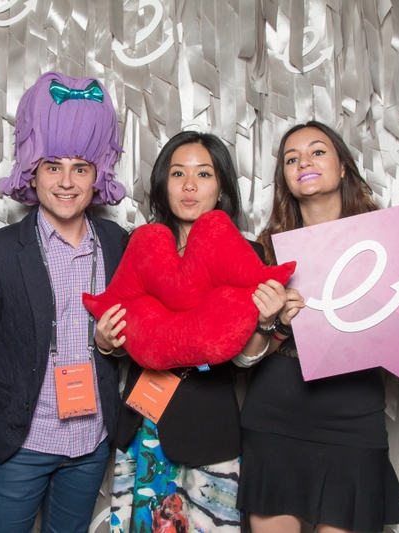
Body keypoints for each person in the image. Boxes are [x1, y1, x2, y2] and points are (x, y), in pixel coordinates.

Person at [0, 71, 129, 533]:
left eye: (81, 168)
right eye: (53, 166)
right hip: (21, 443)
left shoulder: (119, 244)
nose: (66, 182)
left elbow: (143, 330)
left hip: (91, 442)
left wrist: (112, 344)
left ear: (98, 174)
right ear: (32, 169)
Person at [101, 131, 289, 533]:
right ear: (162, 184)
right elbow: (128, 330)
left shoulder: (247, 255)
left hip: (208, 429)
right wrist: (105, 342)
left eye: (203, 174)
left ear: (221, 188)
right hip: (144, 427)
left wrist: (268, 323)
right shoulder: (140, 245)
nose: (189, 185)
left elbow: (242, 360)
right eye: (178, 174)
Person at [236, 121, 399, 533]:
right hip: (276, 417)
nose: (304, 163)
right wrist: (274, 324)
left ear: (343, 167)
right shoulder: (265, 251)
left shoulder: (386, 241)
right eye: (291, 158)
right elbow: (242, 359)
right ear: (284, 178)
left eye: (317, 151)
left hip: (353, 416)